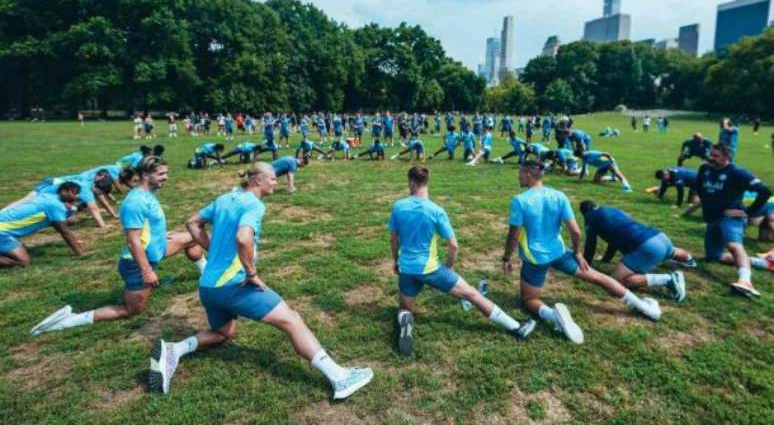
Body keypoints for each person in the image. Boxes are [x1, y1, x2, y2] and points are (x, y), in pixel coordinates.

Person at [146, 162, 373, 398]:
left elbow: (192, 223)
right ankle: (340, 378)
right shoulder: (254, 205)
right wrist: (252, 274)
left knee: (224, 332)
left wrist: (213, 249)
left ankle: (173, 350)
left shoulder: (226, 198)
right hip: (234, 285)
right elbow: (244, 238)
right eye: (273, 178)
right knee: (292, 320)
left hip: (208, 287)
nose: (277, 182)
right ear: (257, 180)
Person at [31, 157, 206, 335]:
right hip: (137, 263)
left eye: (166, 173)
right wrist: (147, 271)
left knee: (192, 238)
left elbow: (147, 225)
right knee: (132, 310)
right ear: (145, 175)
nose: (166, 177)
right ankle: (68, 321)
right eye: (161, 174)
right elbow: (133, 241)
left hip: (157, 249)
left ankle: (206, 273)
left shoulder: (148, 194)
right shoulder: (135, 202)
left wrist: (161, 234)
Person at [501, 161, 662, 345]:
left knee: (529, 299)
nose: (518, 176)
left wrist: (507, 257)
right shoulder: (559, 195)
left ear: (529, 175)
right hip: (559, 252)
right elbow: (576, 231)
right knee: (598, 277)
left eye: (520, 173)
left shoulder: (520, 201)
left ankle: (555, 316)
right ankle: (645, 308)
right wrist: (577, 252)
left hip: (535, 258)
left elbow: (513, 235)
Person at [390, 166, 535, 356]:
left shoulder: (399, 207)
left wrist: (396, 260)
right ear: (426, 182)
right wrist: (449, 266)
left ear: (411, 182)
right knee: (472, 294)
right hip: (431, 269)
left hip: (407, 269)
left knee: (405, 309)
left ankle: (405, 321)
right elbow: (453, 245)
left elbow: (393, 238)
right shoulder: (436, 211)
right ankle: (517, 327)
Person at [694, 143, 772, 296]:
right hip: (713, 218)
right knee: (714, 256)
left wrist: (749, 212)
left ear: (726, 157)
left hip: (731, 215)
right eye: (711, 154)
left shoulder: (737, 172)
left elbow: (764, 191)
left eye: (716, 156)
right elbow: (700, 188)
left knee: (733, 245)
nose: (711, 158)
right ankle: (761, 262)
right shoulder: (704, 169)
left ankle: (745, 281)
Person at [580, 201, 692, 301]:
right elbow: (613, 241)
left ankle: (667, 279)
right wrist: (606, 259)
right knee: (673, 251)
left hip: (648, 246)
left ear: (584, 213)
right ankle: (690, 260)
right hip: (659, 237)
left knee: (617, 281)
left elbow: (591, 244)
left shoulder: (590, 217)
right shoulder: (610, 209)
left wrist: (585, 266)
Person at [0, 182, 85, 268]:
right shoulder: (55, 205)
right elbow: (64, 231)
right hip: (2, 232)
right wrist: (81, 253)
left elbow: (66, 222)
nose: (77, 196)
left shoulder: (48, 197)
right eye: (74, 193)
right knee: (23, 262)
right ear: (63, 191)